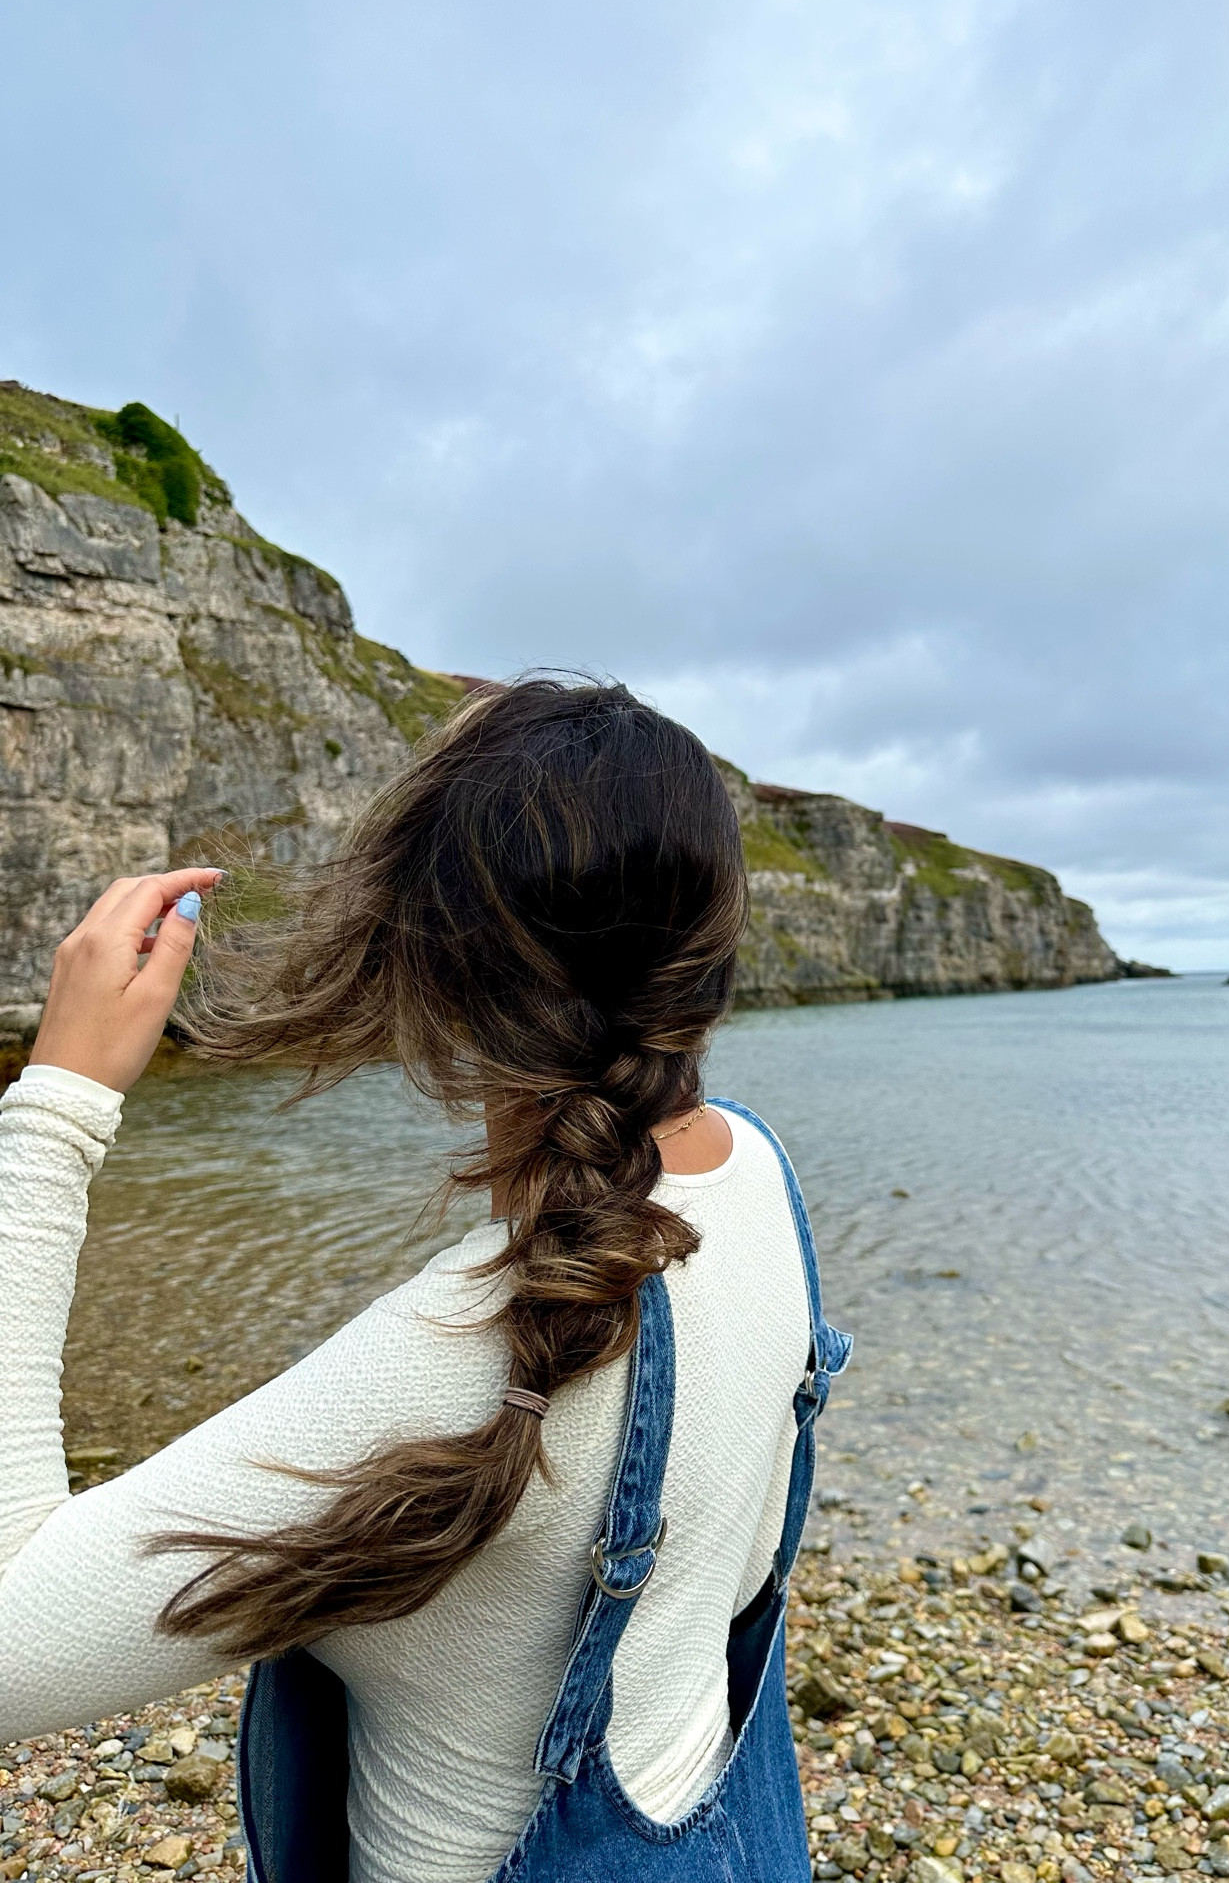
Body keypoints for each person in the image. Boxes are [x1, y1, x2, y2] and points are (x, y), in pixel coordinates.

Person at [0, 677, 851, 1883]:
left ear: (434, 965)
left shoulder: (456, 1351)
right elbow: (749, 1560)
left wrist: (57, 1109)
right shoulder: (762, 1175)